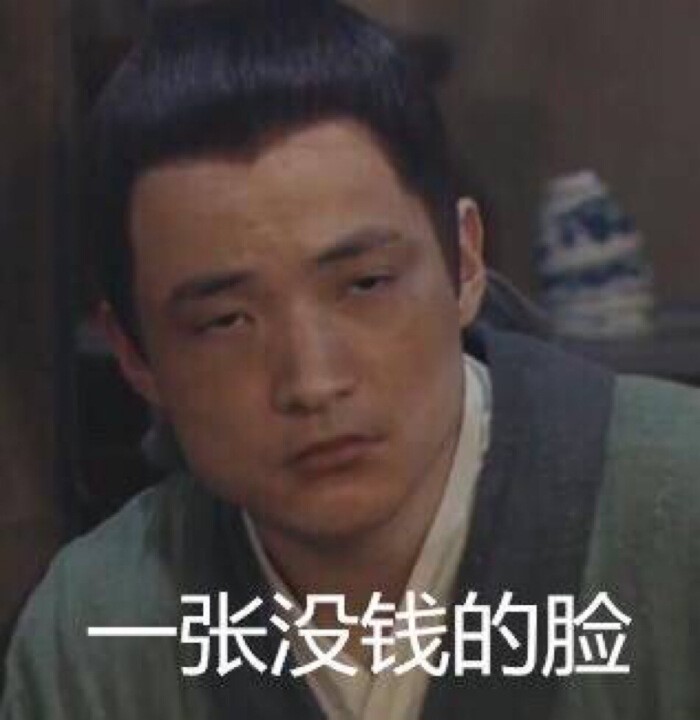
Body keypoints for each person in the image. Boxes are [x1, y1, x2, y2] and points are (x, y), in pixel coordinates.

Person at [2, 1, 698, 718]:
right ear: (134, 354)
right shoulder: (98, 629)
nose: (313, 382)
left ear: (464, 262)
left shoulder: (678, 506)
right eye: (225, 320)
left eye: (365, 285)